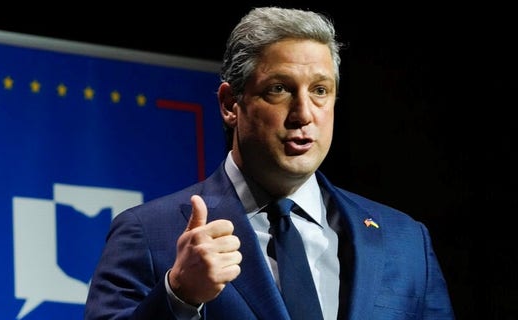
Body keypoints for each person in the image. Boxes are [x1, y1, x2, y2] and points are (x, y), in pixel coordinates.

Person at [84, 6, 454, 320]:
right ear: (231, 105)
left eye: (320, 90)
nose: (304, 114)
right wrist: (179, 295)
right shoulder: (149, 233)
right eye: (279, 89)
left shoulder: (404, 241)